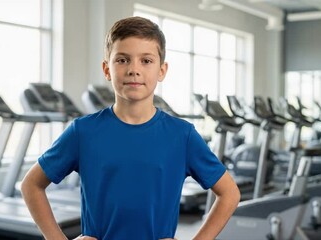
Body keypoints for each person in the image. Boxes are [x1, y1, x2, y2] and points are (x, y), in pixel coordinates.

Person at [21, 16, 240, 240]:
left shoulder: (182, 135)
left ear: (162, 71)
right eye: (123, 60)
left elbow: (229, 194)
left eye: (146, 61)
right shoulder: (82, 132)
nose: (134, 69)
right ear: (107, 69)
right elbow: (31, 185)